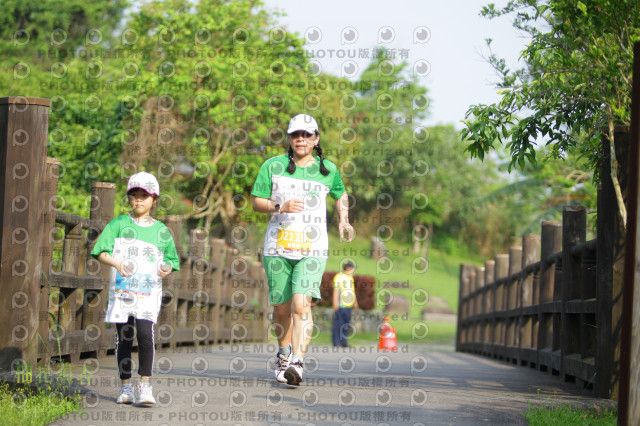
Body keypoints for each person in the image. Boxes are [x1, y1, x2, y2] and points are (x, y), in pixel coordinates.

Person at [252, 113, 355, 386]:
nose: (301, 139)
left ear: (316, 139)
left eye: (307, 135)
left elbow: (341, 193)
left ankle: (297, 361)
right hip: (277, 248)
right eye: (296, 134)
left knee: (301, 304)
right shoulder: (273, 166)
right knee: (282, 310)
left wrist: (344, 219)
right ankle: (284, 353)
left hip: (313, 249)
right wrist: (279, 206)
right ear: (289, 138)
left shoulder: (327, 169)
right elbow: (257, 201)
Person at [91, 171, 179, 405]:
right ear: (129, 198)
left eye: (145, 195)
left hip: (148, 293)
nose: (139, 200)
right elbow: (100, 251)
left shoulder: (161, 230)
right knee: (124, 338)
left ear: (154, 200)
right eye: (135, 195)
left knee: (144, 335)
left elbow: (171, 259)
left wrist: (167, 268)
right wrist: (116, 263)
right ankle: (126, 387)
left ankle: (146, 385)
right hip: (123, 293)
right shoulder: (118, 224)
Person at [332, 261, 359, 347]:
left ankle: (344, 342)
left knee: (346, 324)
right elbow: (336, 290)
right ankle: (336, 342)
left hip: (349, 305)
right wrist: (335, 302)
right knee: (338, 324)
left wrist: (355, 302)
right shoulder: (339, 277)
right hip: (340, 305)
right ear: (349, 268)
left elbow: (352, 291)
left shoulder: (351, 278)